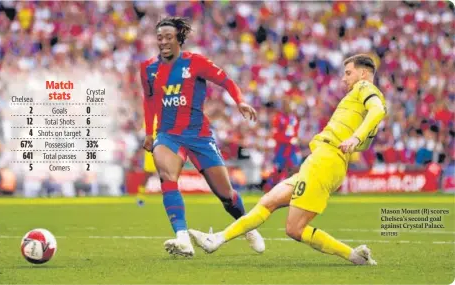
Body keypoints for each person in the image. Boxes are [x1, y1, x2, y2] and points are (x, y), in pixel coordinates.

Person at [189, 54, 387, 265]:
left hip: (326, 160)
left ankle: (354, 256)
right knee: (268, 202)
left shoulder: (365, 87)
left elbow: (377, 110)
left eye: (348, 73)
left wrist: (355, 137)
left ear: (364, 73)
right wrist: (358, 137)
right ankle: (216, 240)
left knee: (294, 229)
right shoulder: (359, 100)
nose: (343, 79)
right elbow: (367, 139)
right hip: (322, 159)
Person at [140, 17, 264, 257]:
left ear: (179, 39)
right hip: (168, 135)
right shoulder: (148, 68)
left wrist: (240, 101)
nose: (163, 42)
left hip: (199, 136)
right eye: (159, 38)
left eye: (168, 37)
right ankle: (182, 237)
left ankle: (247, 227)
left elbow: (226, 81)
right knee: (166, 176)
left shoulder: (195, 62)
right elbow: (149, 100)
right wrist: (149, 132)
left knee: (226, 195)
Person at [263, 97, 301, 192]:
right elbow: (275, 134)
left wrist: (295, 138)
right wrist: (288, 140)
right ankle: (269, 187)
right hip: (281, 147)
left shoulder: (293, 118)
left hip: (292, 148)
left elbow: (295, 131)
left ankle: (291, 188)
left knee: (294, 167)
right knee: (278, 169)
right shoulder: (278, 118)